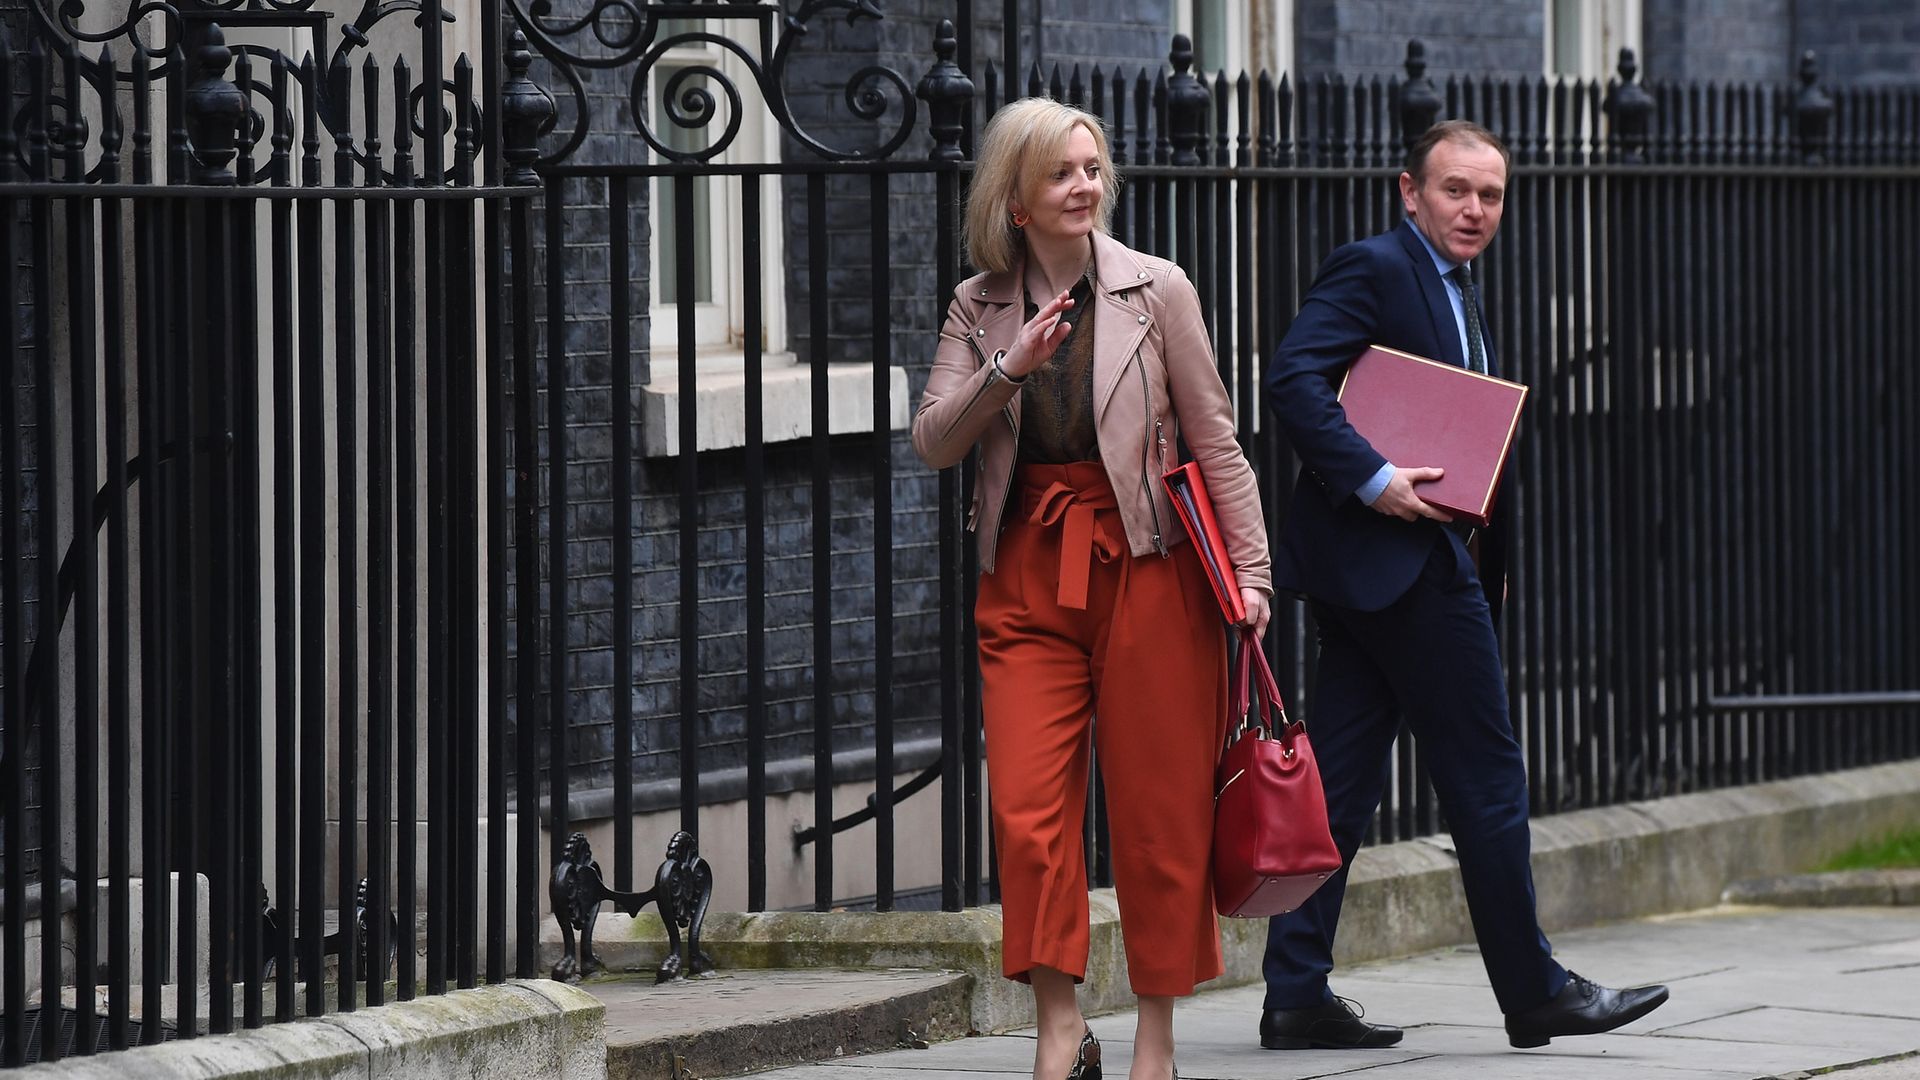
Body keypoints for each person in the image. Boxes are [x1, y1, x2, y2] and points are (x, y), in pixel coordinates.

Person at [1257, 119, 1670, 1051]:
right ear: (1410, 191)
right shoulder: (1375, 265)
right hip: (1402, 569)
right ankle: (1534, 992)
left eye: (1489, 194)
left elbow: (1473, 434)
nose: (1475, 209)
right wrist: (1375, 479)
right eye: (1455, 190)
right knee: (1486, 778)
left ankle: (1295, 994)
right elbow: (1293, 379)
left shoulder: (1456, 286)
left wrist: (1493, 564)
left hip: (1403, 576)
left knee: (1341, 789)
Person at [914, 97, 1271, 1080]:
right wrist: (1006, 371)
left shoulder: (1158, 293)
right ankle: (1059, 1027)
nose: (1086, 185)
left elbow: (1216, 440)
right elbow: (934, 439)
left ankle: (1155, 1044)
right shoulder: (979, 303)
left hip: (1150, 572)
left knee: (1159, 818)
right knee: (1029, 815)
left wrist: (1251, 575)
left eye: (1093, 168)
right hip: (1027, 573)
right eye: (1063, 173)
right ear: (1016, 200)